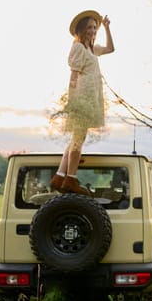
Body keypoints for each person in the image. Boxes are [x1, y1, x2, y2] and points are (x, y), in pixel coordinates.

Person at [49, 10, 115, 195]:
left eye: (95, 28)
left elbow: (110, 49)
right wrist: (73, 102)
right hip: (82, 97)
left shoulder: (92, 49)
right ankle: (70, 179)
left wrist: (107, 28)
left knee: (77, 138)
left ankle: (60, 176)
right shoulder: (78, 48)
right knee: (79, 138)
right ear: (81, 29)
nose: (93, 31)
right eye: (89, 27)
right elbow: (73, 76)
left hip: (92, 96)